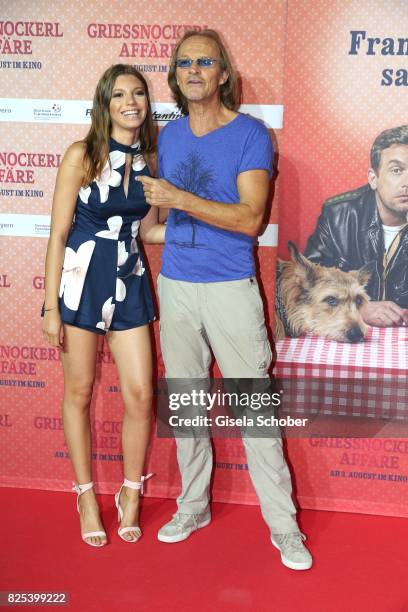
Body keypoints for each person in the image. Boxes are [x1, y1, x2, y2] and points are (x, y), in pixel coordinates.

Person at [137, 29, 312, 570]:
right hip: (177, 287)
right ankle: (193, 507)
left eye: (204, 61)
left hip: (232, 291)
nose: (193, 70)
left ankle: (284, 528)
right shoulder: (166, 138)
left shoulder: (250, 133)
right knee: (187, 407)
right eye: (184, 62)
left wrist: (179, 200)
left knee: (255, 413)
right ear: (176, 74)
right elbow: (156, 227)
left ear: (222, 74)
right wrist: (146, 215)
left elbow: (250, 218)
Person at [42, 64, 165, 547]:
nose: (130, 101)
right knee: (79, 392)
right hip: (81, 283)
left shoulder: (153, 160)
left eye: (138, 93)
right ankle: (86, 495)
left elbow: (150, 230)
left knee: (140, 395)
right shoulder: (82, 154)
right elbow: (57, 235)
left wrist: (199, 225)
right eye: (119, 94)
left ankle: (131, 492)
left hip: (131, 280)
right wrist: (51, 308)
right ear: (105, 103)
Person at [305, 125, 408, 328]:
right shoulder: (338, 216)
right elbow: (308, 285)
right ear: (373, 178)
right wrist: (359, 306)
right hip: (348, 333)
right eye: (397, 170)